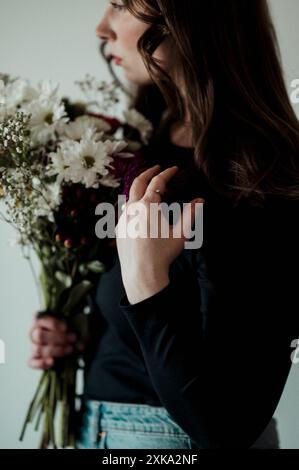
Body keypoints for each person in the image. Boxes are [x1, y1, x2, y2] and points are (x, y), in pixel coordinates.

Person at [28, 0, 299, 449]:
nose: (101, 28)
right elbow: (147, 323)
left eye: (119, 5)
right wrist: (76, 335)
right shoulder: (141, 144)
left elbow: (226, 427)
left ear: (188, 16)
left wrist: (146, 277)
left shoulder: (263, 179)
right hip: (94, 427)